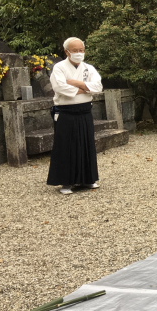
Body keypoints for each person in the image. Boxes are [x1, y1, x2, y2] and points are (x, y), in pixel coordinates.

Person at [47, 37, 104, 195]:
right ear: (67, 52)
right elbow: (60, 87)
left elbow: (98, 86)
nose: (79, 53)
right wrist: (86, 89)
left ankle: (88, 179)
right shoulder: (59, 67)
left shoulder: (89, 68)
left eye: (81, 50)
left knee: (87, 145)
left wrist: (76, 83)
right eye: (75, 50)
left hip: (85, 111)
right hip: (66, 112)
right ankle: (66, 182)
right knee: (66, 146)